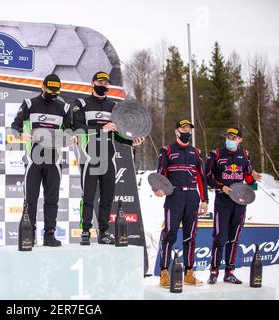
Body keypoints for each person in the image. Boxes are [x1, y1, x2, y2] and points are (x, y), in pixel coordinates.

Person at [72, 71, 145, 245]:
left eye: (106, 83)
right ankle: (85, 231)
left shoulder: (113, 106)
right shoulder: (81, 103)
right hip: (89, 156)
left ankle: (104, 232)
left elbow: (117, 133)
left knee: (107, 198)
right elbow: (78, 127)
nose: (103, 85)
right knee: (88, 196)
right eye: (100, 82)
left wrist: (130, 141)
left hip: (108, 157)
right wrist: (101, 129)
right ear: (92, 83)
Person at [11, 74, 71, 247]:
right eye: (50, 90)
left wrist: (71, 137)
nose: (53, 94)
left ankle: (49, 235)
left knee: (52, 198)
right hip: (33, 159)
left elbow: (71, 130)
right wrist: (21, 134)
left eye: (56, 92)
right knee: (30, 198)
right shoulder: (30, 104)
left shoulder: (64, 107)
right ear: (43, 87)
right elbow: (15, 126)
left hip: (54, 159)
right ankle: (29, 235)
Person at [154, 120, 208, 288]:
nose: (187, 132)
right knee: (170, 235)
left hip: (192, 197)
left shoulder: (196, 152)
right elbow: (160, 175)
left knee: (190, 237)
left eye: (189, 129)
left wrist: (205, 199)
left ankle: (189, 273)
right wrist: (158, 189)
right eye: (183, 129)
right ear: (176, 131)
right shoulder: (167, 151)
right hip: (174, 196)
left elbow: (202, 178)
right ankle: (164, 273)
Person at [205, 127, 261, 284]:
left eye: (233, 137)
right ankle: (214, 271)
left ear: (239, 140)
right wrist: (220, 186)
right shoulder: (216, 154)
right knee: (219, 237)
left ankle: (229, 271)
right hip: (223, 201)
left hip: (240, 201)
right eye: (228, 136)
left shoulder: (244, 155)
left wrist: (253, 177)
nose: (230, 139)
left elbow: (248, 178)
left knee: (234, 238)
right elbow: (207, 177)